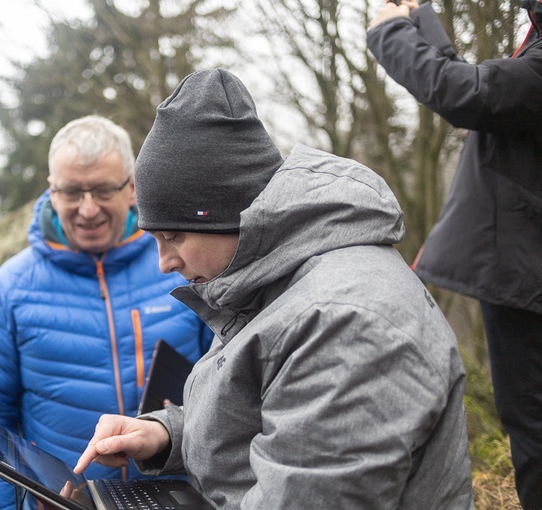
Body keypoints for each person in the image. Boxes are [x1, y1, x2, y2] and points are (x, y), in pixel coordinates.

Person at [73, 69, 474, 509]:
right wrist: (167, 434)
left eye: (173, 237)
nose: (165, 263)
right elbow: (274, 419)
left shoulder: (344, 324)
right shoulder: (275, 282)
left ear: (232, 215)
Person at [0, 115, 213, 509]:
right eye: (73, 192)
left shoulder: (181, 265)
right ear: (52, 190)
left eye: (101, 190)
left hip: (179, 497)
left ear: (131, 188)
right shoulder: (11, 290)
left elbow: (230, 387)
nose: (88, 209)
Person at [368, 2, 542, 507]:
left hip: (526, 277)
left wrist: (390, 34)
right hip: (522, 273)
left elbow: (468, 94)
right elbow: (480, 94)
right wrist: (419, 18)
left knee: (533, 427)